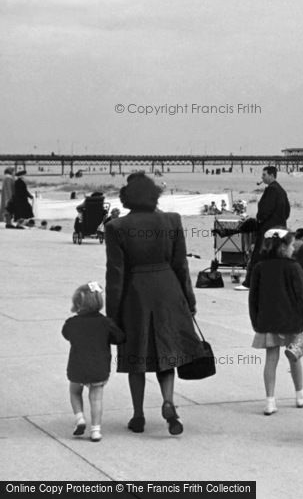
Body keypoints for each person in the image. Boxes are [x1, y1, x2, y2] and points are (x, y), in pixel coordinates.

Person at [105, 172, 206, 435]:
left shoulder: (116, 227)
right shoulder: (172, 221)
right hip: (168, 289)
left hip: (135, 294)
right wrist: (189, 299)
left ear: (127, 198)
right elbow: (181, 265)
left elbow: (115, 275)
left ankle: (138, 415)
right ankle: (168, 402)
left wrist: (112, 316)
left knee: (135, 358)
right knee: (166, 354)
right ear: (153, 195)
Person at [249, 229, 303, 415]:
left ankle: (270, 402)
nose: (293, 247)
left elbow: (253, 298)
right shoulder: (293, 267)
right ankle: (299, 394)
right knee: (294, 356)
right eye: (290, 244)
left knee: (271, 359)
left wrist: (255, 321)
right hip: (291, 319)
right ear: (283, 247)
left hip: (267, 320)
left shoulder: (259, 267)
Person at [62, 282, 125, 442]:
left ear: (78, 304)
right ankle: (96, 430)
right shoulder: (106, 323)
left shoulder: (72, 323)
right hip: (99, 367)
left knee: (75, 392)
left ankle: (80, 418)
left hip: (77, 366)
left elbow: (66, 334)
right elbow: (119, 338)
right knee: (96, 398)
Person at [236, 166, 291, 290]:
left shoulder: (271, 190)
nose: (262, 177)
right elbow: (287, 210)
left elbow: (265, 209)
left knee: (257, 255)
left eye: (264, 175)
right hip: (281, 228)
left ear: (272, 175)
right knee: (276, 256)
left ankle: (249, 283)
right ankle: (275, 282)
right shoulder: (281, 190)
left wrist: (260, 219)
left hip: (268, 229)